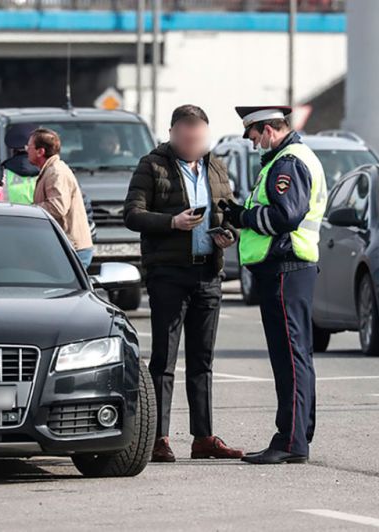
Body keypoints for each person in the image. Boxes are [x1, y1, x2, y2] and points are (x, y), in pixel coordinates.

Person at [124, 104, 242, 463]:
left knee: (203, 360)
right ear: (174, 133)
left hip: (208, 272)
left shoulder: (215, 165)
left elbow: (229, 210)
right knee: (164, 359)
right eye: (189, 139)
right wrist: (172, 223)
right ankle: (158, 437)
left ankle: (203, 437)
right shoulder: (152, 165)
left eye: (200, 139)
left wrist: (229, 234)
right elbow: (132, 214)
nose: (195, 145)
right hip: (169, 273)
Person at [222, 105, 327, 465]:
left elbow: (285, 216)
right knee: (295, 356)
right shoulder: (290, 158)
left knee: (290, 358)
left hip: (285, 267)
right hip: (289, 268)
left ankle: (291, 440)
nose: (252, 143)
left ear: (268, 129)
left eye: (253, 135)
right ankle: (296, 435)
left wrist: (242, 216)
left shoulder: (288, 163)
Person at [27, 128, 94, 268]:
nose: (26, 150)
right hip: (65, 247)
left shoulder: (55, 172)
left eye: (30, 146)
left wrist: (30, 210)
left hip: (72, 249)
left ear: (41, 152)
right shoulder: (51, 170)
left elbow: (58, 207)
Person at [0, 123, 40, 205]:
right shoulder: (45, 172)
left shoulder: (1, 172)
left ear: (12, 149)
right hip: (38, 217)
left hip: (8, 216)